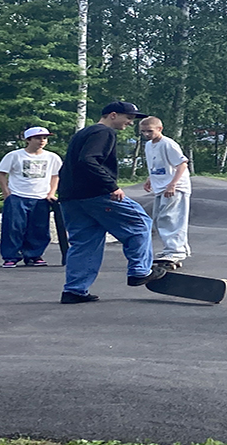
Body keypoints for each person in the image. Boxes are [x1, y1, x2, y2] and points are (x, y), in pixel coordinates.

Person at [58, 102, 165, 303]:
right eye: (128, 118)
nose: (130, 123)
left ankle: (74, 290)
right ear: (113, 115)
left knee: (85, 243)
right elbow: (88, 160)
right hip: (96, 194)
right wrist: (111, 186)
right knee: (140, 223)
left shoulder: (83, 133)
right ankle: (139, 271)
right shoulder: (103, 132)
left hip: (70, 197)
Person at [0, 126, 62, 268]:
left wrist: (51, 193)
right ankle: (11, 256)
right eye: (38, 138)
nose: (42, 141)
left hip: (41, 197)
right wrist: (6, 193)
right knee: (13, 228)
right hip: (18, 196)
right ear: (28, 139)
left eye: (44, 138)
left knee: (38, 228)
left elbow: (55, 175)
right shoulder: (15, 155)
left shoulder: (52, 157)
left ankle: (33, 255)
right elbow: (1, 173)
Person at [139, 116, 192, 270]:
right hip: (160, 186)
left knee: (171, 218)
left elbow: (182, 164)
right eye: (143, 132)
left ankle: (175, 250)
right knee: (159, 218)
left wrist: (172, 184)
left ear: (159, 129)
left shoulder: (168, 144)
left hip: (175, 187)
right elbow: (156, 164)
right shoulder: (149, 145)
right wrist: (150, 178)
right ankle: (173, 248)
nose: (146, 134)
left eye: (149, 131)